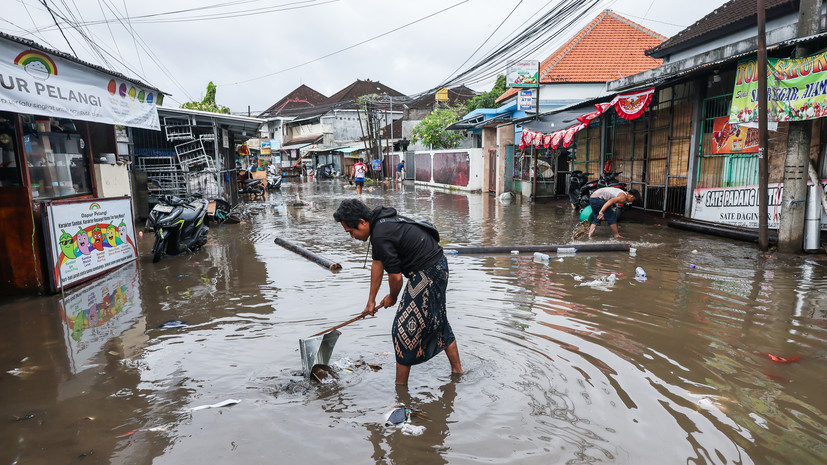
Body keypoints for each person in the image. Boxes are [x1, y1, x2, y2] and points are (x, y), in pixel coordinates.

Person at [333, 199, 462, 385]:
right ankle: (457, 372)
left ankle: (400, 390)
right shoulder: (379, 225)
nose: (351, 236)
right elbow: (377, 264)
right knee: (438, 320)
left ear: (362, 222)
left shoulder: (381, 234)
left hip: (429, 272)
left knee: (402, 330)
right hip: (437, 266)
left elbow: (396, 278)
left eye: (351, 232)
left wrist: (392, 297)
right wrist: (371, 301)